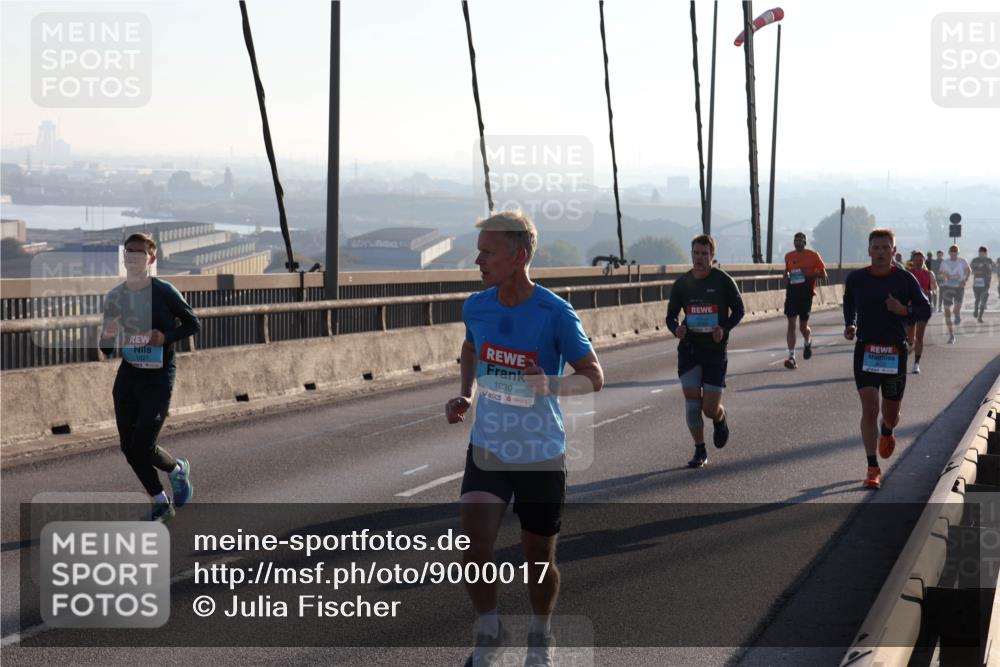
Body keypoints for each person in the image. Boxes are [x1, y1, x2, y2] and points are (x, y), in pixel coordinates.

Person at [445, 211, 604, 667]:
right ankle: (490, 631)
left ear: (518, 256)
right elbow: (471, 347)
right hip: (489, 447)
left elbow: (593, 376)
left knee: (538, 561)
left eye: (487, 252)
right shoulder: (477, 306)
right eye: (479, 251)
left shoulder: (554, 313)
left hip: (540, 452)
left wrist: (550, 384)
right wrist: (467, 393)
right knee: (474, 543)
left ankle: (540, 634)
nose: (478, 260)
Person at [99, 233, 200, 521]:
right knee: (128, 447)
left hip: (158, 377)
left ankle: (177, 470)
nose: (132, 256)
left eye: (139, 252)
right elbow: (106, 347)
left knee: (143, 445)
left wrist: (164, 337)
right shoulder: (115, 296)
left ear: (151, 258)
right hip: (128, 377)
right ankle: (160, 503)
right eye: (128, 251)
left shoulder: (164, 291)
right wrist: (109, 334)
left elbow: (193, 324)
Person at [843, 229, 930, 489]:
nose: (880, 252)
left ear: (894, 251)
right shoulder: (857, 278)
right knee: (870, 408)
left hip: (894, 352)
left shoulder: (904, 279)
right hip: (866, 350)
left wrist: (903, 309)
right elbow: (849, 303)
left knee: (890, 415)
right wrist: (850, 324)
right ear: (869, 250)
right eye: (876, 247)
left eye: (885, 247)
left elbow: (925, 308)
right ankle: (872, 467)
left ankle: (888, 430)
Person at [666, 234, 745, 468]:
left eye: (704, 254)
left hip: (714, 350)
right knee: (692, 403)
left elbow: (739, 310)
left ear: (712, 256)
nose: (699, 258)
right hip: (690, 349)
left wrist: (724, 328)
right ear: (691, 254)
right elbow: (670, 316)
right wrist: (676, 329)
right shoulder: (682, 284)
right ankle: (699, 450)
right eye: (696, 253)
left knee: (709, 409)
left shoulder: (723, 281)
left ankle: (720, 418)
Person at [781, 232, 827, 369]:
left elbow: (823, 274)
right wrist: (786, 274)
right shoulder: (789, 256)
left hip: (806, 294)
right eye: (796, 241)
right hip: (792, 293)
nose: (798, 243)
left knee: (802, 327)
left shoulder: (813, 255)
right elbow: (788, 271)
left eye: (800, 241)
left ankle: (807, 341)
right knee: (791, 324)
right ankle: (792, 357)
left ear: (805, 243)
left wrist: (808, 274)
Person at [905, 251, 936, 374]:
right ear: (912, 261)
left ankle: (916, 364)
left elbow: (934, 288)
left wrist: (931, 292)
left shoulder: (929, 274)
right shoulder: (908, 274)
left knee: (920, 336)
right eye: (916, 260)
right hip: (910, 306)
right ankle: (910, 344)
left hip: (923, 307)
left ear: (924, 261)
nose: (918, 262)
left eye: (921, 260)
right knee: (910, 334)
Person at [936, 244, 970, 343]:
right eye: (952, 251)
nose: (953, 253)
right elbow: (939, 274)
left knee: (956, 308)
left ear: (958, 252)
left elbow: (968, 270)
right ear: (949, 252)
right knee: (947, 312)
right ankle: (951, 336)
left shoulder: (962, 261)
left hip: (959, 288)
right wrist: (943, 275)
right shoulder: (944, 262)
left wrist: (965, 279)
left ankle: (957, 314)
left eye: (955, 251)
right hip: (947, 288)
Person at [970, 246, 996, 323]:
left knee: (984, 299)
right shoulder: (975, 260)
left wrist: (989, 266)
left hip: (986, 282)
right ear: (979, 252)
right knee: (977, 298)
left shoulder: (989, 260)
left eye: (984, 252)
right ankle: (975, 310)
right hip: (977, 282)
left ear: (986, 253)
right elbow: (971, 269)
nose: (982, 254)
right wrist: (977, 266)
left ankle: (980, 317)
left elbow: (995, 268)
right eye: (981, 252)